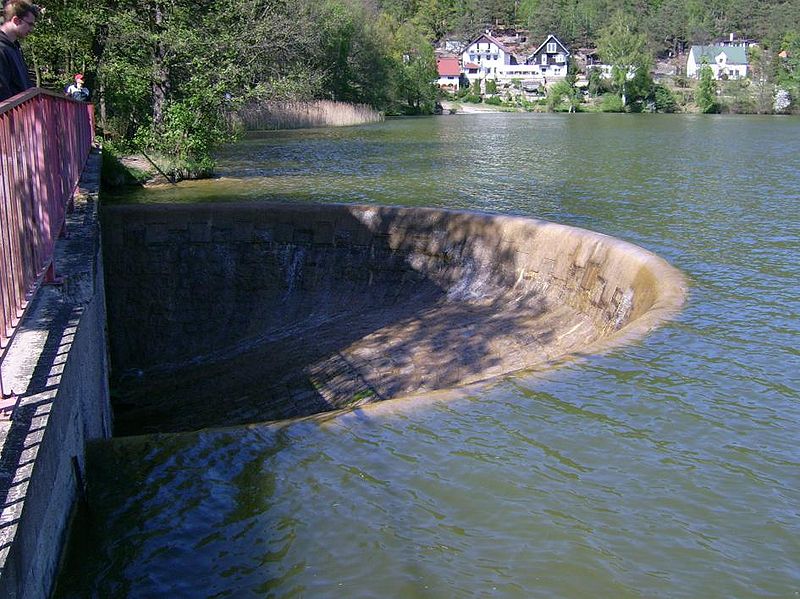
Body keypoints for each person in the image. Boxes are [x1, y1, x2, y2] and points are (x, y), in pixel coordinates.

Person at [0, 0, 38, 102]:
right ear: (16, 20)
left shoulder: (14, 47)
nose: (31, 29)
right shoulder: (1, 49)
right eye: (30, 24)